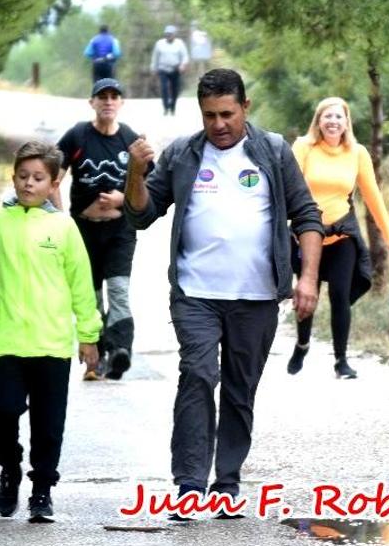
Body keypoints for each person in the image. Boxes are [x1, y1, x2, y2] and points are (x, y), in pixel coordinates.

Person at [124, 68, 324, 511]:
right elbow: (141, 214)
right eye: (210, 115)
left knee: (239, 388)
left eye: (227, 114)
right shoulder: (183, 153)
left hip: (256, 297)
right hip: (195, 293)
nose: (219, 124)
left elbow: (307, 215)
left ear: (245, 107)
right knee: (198, 374)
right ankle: (190, 483)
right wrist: (135, 173)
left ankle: (227, 482)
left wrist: (307, 279)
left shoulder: (272, 152)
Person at [0, 139, 101, 523]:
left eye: (38, 178)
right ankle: (9, 465)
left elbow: (81, 286)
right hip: (6, 343)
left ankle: (41, 491)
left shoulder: (64, 227)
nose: (28, 184)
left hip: (52, 344)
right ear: (13, 177)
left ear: (54, 183)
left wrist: (89, 335)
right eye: (23, 176)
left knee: (49, 425)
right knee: (1, 411)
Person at [286, 97, 389, 380]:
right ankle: (302, 344)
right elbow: (287, 185)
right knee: (307, 291)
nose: (333, 121)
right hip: (307, 235)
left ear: (346, 122)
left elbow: (372, 194)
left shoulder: (357, 152)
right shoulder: (303, 147)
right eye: (328, 116)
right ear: (318, 120)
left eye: (339, 117)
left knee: (340, 294)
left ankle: (341, 361)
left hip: (341, 236)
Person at [56, 77, 142, 381]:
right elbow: (54, 177)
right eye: (102, 96)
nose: (108, 101)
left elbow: (149, 185)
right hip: (83, 232)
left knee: (118, 291)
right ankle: (99, 353)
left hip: (120, 231)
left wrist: (123, 197)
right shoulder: (77, 136)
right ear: (92, 102)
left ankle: (120, 350)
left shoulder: (130, 139)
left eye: (113, 96)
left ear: (120, 103)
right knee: (89, 296)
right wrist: (58, 218)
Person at [150, 24, 189, 115]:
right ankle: (166, 106)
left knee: (175, 89)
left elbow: (185, 56)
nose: (169, 36)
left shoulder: (179, 43)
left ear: (174, 34)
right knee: (164, 88)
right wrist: (153, 68)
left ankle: (173, 106)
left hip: (175, 69)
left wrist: (183, 65)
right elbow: (155, 57)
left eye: (170, 34)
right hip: (163, 69)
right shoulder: (159, 44)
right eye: (167, 34)